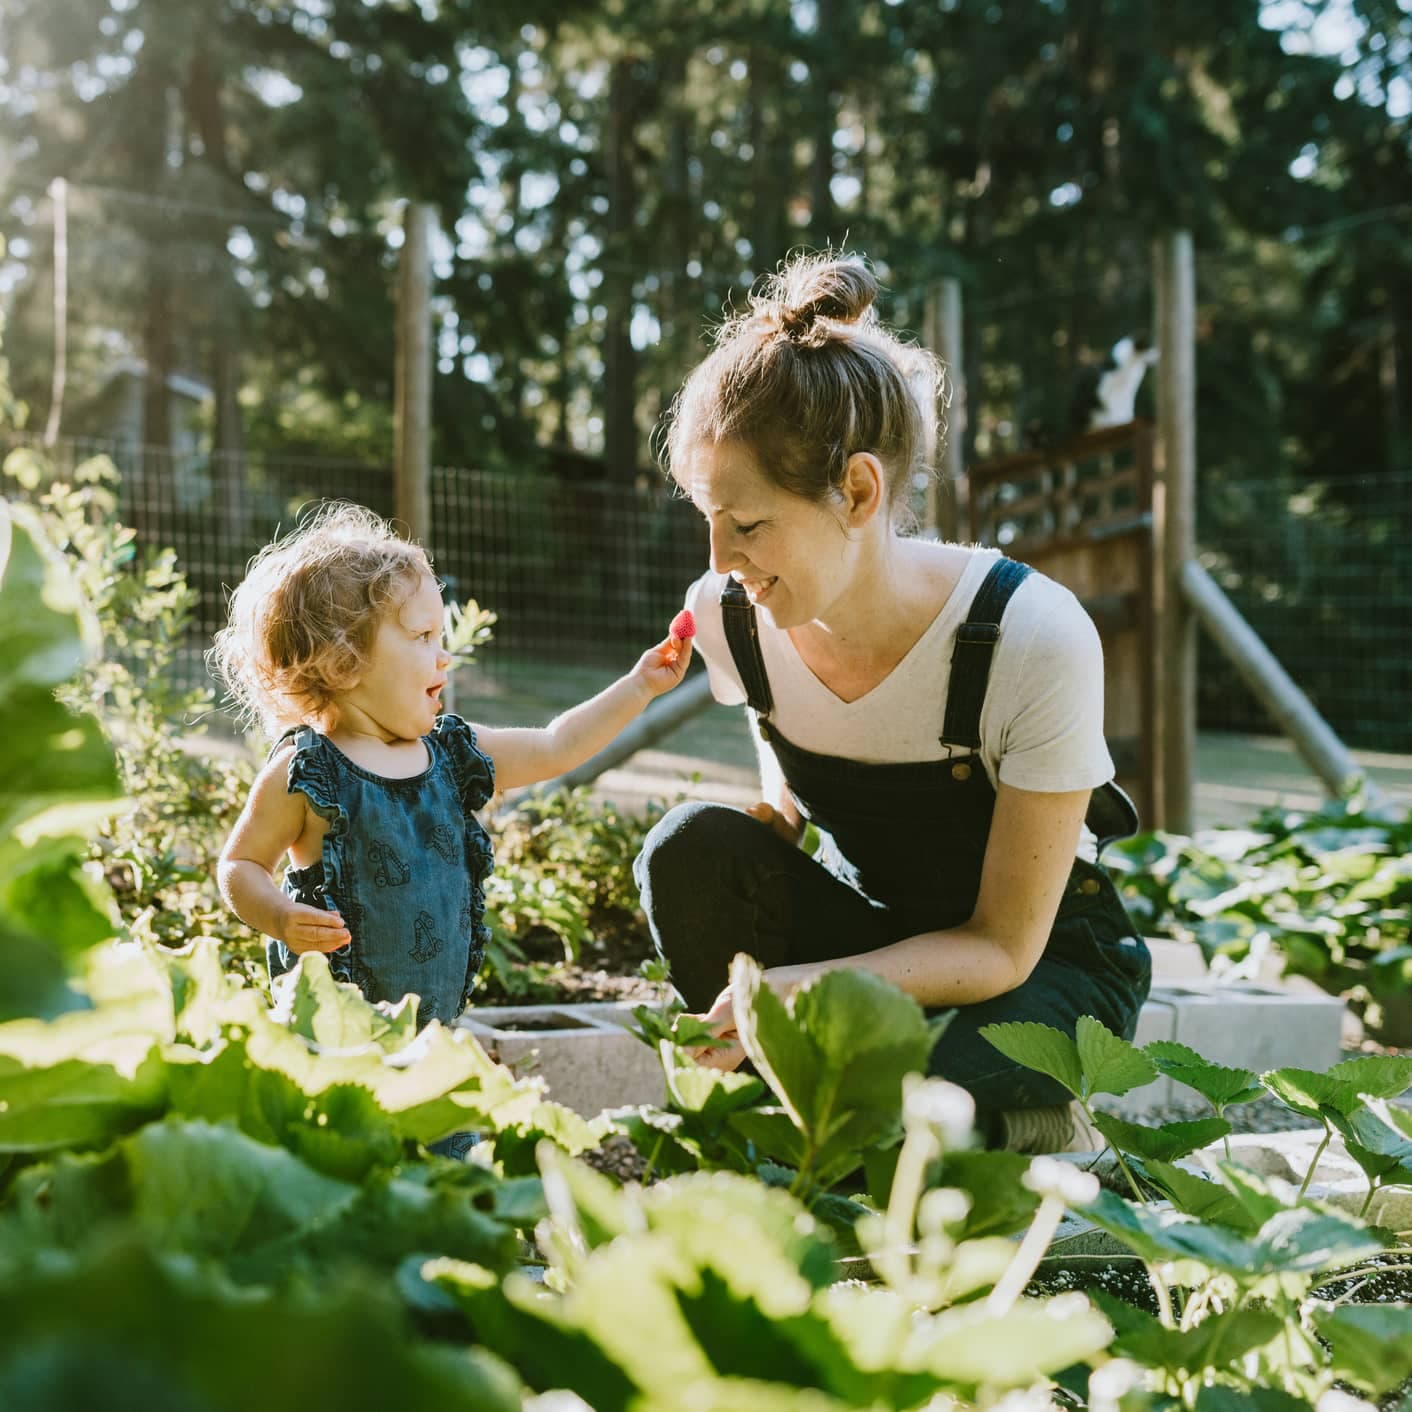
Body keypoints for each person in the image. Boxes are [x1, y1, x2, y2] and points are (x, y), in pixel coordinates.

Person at [633, 254, 1151, 1153]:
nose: (720, 560)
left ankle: (1029, 1121)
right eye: (707, 518)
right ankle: (824, 1120)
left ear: (860, 492)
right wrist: (775, 830)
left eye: (749, 525)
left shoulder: (1030, 634)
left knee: (907, 1061)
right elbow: (790, 758)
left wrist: (821, 990)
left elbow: (999, 947)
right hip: (888, 938)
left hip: (1036, 974)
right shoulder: (735, 617)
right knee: (688, 849)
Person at [212, 502, 692, 1043]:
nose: (444, 658)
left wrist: (640, 687)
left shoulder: (451, 753)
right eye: (422, 638)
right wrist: (279, 917)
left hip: (430, 1041)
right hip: (332, 1041)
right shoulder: (308, 774)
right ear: (344, 662)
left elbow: (557, 746)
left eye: (442, 638)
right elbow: (241, 863)